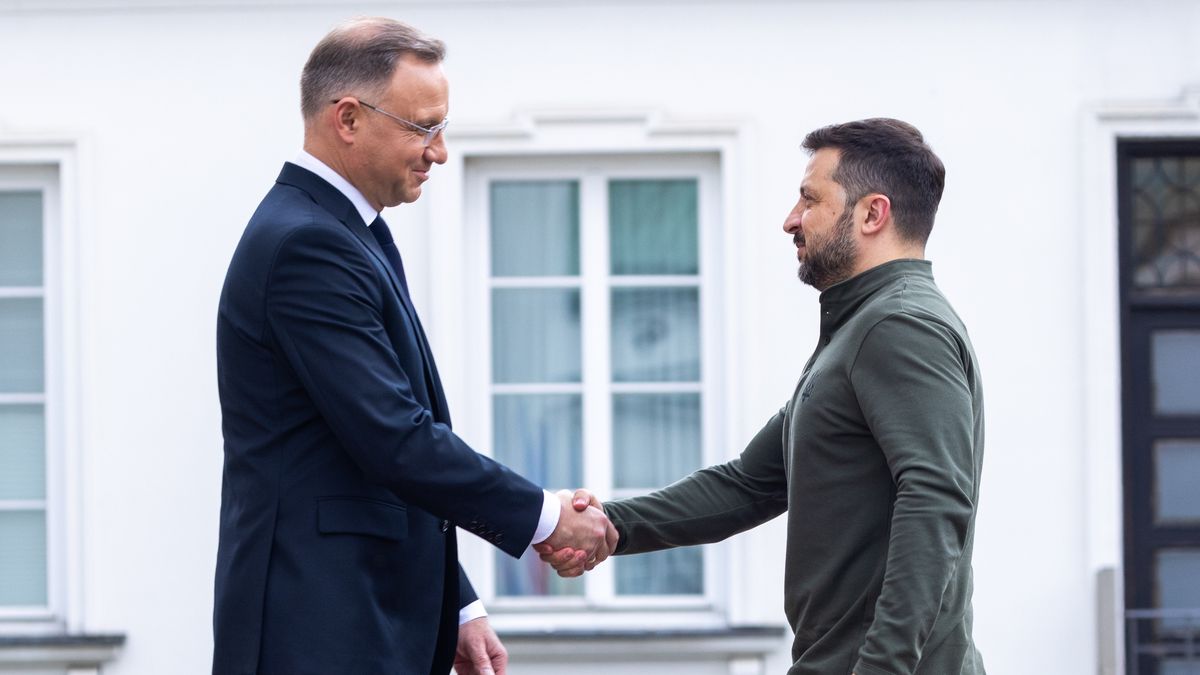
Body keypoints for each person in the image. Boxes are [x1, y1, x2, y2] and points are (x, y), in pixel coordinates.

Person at [213, 17, 614, 675]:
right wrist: (543, 516)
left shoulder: (347, 233)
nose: (440, 151)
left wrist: (455, 603)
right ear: (348, 118)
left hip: (355, 618)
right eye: (423, 127)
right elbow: (394, 437)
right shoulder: (306, 246)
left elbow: (359, 455)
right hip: (318, 629)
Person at [540, 118, 987, 675]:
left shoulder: (897, 326)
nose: (790, 220)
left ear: (873, 213)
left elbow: (936, 501)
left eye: (809, 199)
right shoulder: (860, 330)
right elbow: (748, 484)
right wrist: (612, 525)